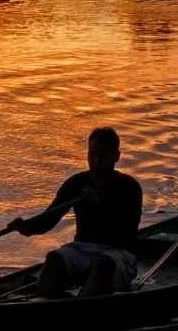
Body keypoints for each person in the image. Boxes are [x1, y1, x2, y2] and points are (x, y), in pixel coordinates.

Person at [10, 127, 143, 297]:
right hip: (82, 249)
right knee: (54, 259)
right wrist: (24, 227)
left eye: (103, 156)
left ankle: (84, 307)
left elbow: (127, 230)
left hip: (118, 252)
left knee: (102, 265)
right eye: (92, 154)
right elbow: (48, 220)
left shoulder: (129, 187)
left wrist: (100, 203)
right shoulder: (76, 183)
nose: (96, 161)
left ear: (116, 156)